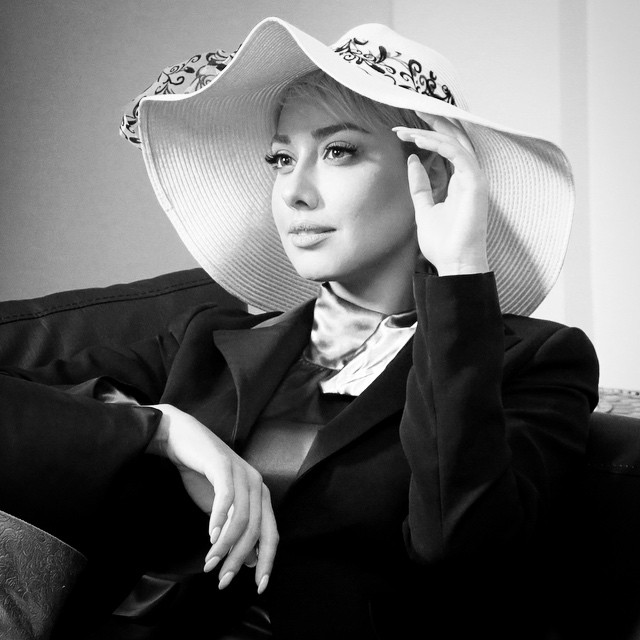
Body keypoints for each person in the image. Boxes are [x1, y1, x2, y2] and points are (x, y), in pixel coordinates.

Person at [0, 17, 598, 640]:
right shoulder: (207, 341)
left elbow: (457, 546)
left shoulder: (535, 359)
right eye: (282, 159)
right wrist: (160, 429)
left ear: (435, 176)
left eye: (338, 151)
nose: (294, 192)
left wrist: (459, 276)